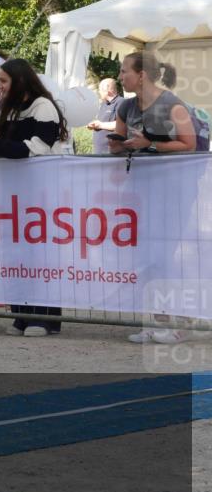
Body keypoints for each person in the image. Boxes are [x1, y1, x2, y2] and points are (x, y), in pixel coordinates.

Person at [0, 58, 68, 337]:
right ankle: (21, 315)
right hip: (12, 194)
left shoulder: (44, 107)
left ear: (19, 81)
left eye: (4, 81)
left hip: (40, 193)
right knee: (15, 255)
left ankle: (45, 318)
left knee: (39, 255)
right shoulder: (9, 110)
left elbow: (35, 148)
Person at [108, 52, 197, 344]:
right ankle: (155, 321)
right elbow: (116, 147)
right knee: (147, 257)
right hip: (141, 191)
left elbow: (189, 144)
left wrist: (152, 144)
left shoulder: (173, 104)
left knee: (167, 257)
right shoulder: (125, 106)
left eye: (124, 71)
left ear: (141, 74)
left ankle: (181, 324)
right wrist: (120, 145)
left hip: (175, 190)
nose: (121, 77)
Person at [86, 78, 124, 154]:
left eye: (100, 90)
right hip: (99, 150)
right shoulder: (104, 104)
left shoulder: (121, 102)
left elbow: (121, 125)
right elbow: (101, 123)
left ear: (107, 90)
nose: (99, 92)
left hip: (111, 151)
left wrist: (100, 125)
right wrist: (93, 125)